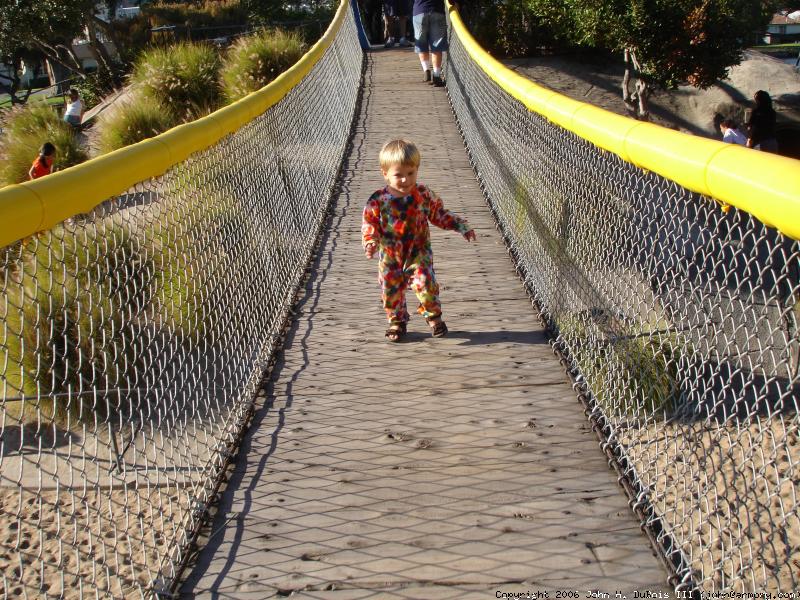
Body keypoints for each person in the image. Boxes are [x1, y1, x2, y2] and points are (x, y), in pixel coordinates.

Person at [362, 139, 476, 342]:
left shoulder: (423, 195)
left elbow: (439, 214)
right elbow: (369, 223)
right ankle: (397, 322)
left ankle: (434, 318)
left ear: (417, 170)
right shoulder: (378, 200)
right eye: (398, 175)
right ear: (385, 173)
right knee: (391, 289)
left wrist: (461, 226)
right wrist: (370, 241)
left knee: (425, 283)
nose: (405, 180)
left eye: (410, 173)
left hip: (418, 253)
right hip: (390, 255)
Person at [412, 0, 457, 86]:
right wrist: (454, 3)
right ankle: (436, 75)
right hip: (437, 11)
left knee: (421, 43)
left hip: (419, 11)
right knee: (437, 45)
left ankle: (426, 71)